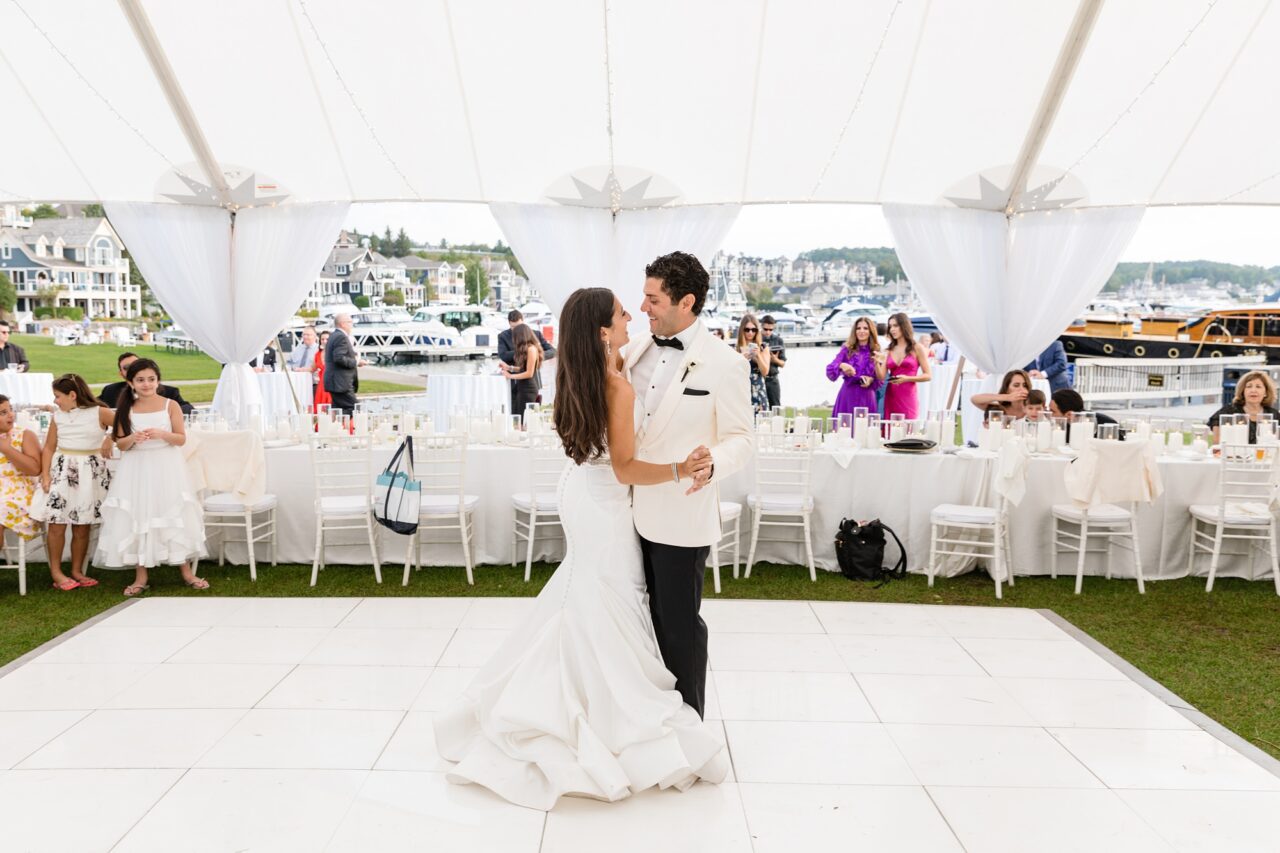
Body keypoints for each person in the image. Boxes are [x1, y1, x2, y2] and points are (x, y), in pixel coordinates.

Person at [436, 276, 753, 809]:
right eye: (626, 313)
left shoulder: (589, 371)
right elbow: (627, 466)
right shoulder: (619, 381)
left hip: (585, 492)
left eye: (645, 304)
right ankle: (617, 717)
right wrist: (680, 467)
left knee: (590, 600)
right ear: (604, 331)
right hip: (609, 503)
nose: (636, 317)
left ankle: (577, 696)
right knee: (609, 603)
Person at [95, 358, 207, 596]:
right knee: (139, 514)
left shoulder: (170, 405)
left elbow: (180, 438)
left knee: (171, 511)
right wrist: (133, 438)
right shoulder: (126, 408)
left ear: (158, 380)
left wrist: (162, 434)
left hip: (166, 465)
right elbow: (122, 444)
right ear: (131, 382)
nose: (146, 384)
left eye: (151, 379)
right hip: (137, 467)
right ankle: (141, 575)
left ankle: (186, 571)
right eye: (141, 380)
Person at [29, 374, 113, 590]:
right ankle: (56, 572)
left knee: (82, 525)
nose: (55, 401)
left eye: (57, 396)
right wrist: (46, 475)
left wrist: (109, 437)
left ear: (72, 395)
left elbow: (126, 426)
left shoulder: (100, 412)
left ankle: (77, 570)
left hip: (90, 472)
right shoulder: (58, 416)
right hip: (62, 469)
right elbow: (48, 447)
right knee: (56, 523)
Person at [0, 395, 42, 554]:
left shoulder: (24, 435)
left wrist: (7, 449)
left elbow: (35, 469)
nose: (10, 414)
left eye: (10, 409)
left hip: (19, 492)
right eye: (3, 412)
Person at [98, 353, 194, 415]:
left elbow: (188, 409)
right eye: (127, 367)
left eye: (136, 364)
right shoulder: (110, 390)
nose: (133, 369)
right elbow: (90, 405)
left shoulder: (170, 392)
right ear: (121, 373)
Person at [826, 316, 884, 418]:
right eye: (858, 328)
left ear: (871, 331)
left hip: (867, 397)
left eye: (865, 328)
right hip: (848, 396)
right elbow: (830, 371)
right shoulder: (846, 349)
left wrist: (870, 380)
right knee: (845, 429)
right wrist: (841, 365)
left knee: (866, 430)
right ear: (854, 331)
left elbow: (880, 379)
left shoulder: (876, 351)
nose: (861, 331)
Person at [1207, 370, 1280, 444]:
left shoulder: (1274, 414)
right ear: (1243, 391)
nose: (1253, 390)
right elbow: (1217, 443)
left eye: (1258, 387)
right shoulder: (1228, 411)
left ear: (1266, 392)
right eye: (1249, 386)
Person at [882, 312, 931, 420]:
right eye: (890, 326)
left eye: (895, 326)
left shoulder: (917, 348)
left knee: (908, 431)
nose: (892, 329)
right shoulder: (888, 350)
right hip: (891, 396)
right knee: (890, 432)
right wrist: (877, 362)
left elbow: (928, 375)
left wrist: (907, 378)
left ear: (904, 326)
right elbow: (881, 376)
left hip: (908, 396)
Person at [323, 313, 367, 416]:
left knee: (338, 410)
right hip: (340, 383)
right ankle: (340, 428)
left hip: (336, 382)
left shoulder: (334, 335)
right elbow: (339, 358)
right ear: (342, 324)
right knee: (355, 409)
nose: (351, 324)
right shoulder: (340, 337)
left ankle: (336, 429)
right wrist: (356, 362)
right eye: (350, 322)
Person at [500, 322, 543, 421]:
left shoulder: (532, 349)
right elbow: (523, 368)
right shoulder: (528, 349)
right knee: (518, 417)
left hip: (528, 389)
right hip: (523, 388)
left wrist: (510, 376)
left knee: (524, 420)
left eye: (515, 336)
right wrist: (509, 368)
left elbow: (529, 373)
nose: (513, 339)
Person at [1050, 388, 1119, 440]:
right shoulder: (1060, 427)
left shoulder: (1106, 425)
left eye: (1052, 411)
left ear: (1069, 415)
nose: (1049, 414)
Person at [736, 313, 770, 415]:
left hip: (758, 389)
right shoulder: (736, 348)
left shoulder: (763, 348)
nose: (750, 333)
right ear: (742, 330)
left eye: (753, 330)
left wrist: (758, 356)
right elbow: (729, 371)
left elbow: (765, 372)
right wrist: (741, 358)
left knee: (760, 423)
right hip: (741, 390)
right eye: (747, 329)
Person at [759, 315, 786, 409]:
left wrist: (775, 359)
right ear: (761, 326)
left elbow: (783, 363)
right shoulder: (757, 338)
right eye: (765, 329)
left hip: (773, 379)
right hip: (759, 378)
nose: (768, 332)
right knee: (759, 408)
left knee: (775, 408)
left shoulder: (778, 340)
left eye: (771, 329)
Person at [287, 327, 321, 397]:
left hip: (312, 385)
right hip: (296, 384)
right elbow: (288, 363)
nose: (305, 337)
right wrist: (290, 368)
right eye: (304, 334)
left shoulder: (319, 350)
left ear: (315, 336)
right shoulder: (297, 349)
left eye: (308, 335)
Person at [314, 330, 332, 410]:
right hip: (321, 387)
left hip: (332, 385)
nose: (325, 341)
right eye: (322, 339)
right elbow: (312, 368)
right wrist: (299, 369)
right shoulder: (317, 354)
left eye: (327, 339)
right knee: (321, 410)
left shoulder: (335, 353)